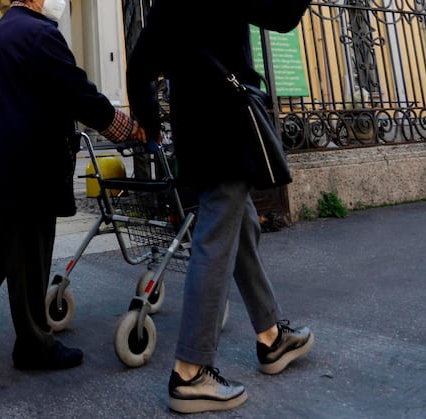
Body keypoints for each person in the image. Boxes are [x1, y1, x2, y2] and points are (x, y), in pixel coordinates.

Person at [0, 0, 144, 371]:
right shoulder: (39, 34)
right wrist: (125, 128)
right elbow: (77, 93)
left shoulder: (2, 31)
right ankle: (34, 346)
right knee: (29, 258)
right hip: (23, 170)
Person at [126, 0, 314, 413]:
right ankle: (191, 372)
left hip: (194, 133)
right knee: (215, 240)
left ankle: (271, 336)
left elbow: (138, 68)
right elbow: (282, 17)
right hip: (229, 125)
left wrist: (152, 125)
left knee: (239, 226)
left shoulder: (162, 7)